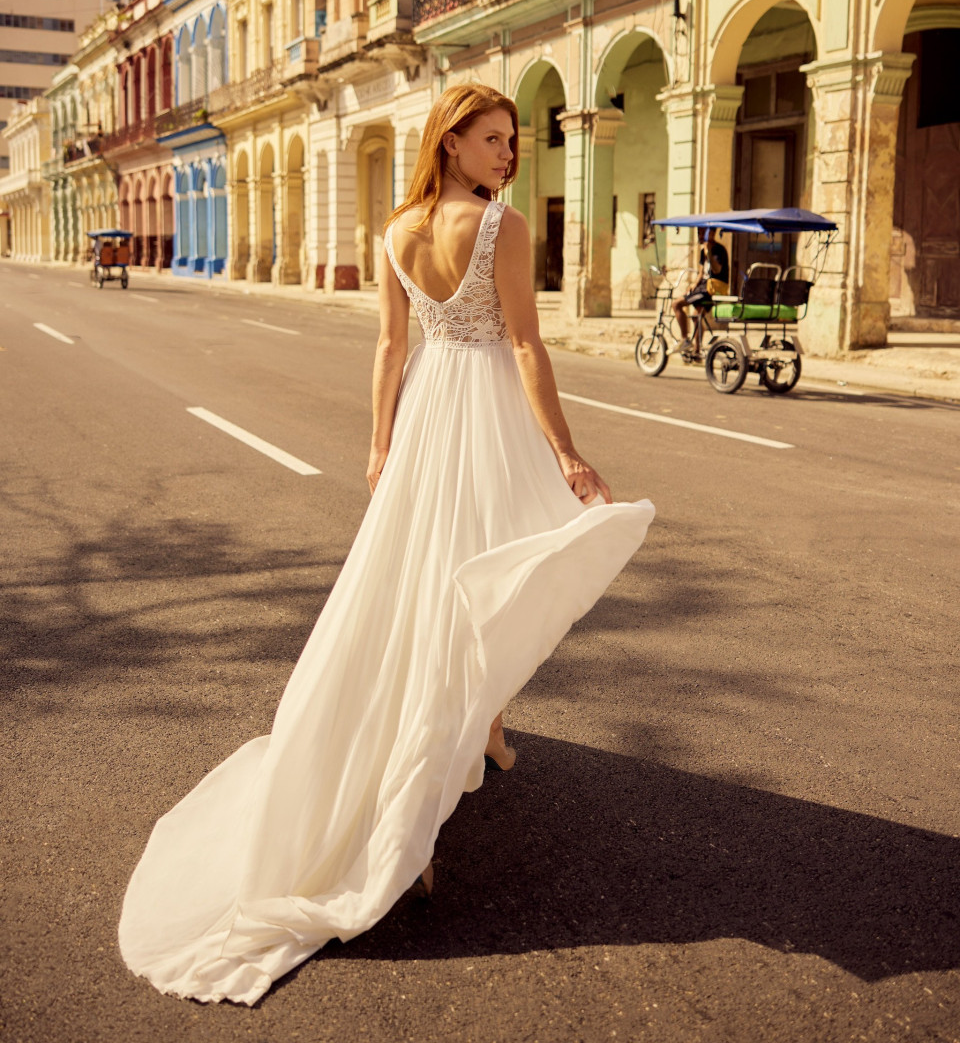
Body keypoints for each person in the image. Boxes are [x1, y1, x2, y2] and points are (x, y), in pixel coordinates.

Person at [118, 84, 655, 1006]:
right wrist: (566, 452)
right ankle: (422, 798)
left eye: (513, 142)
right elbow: (525, 344)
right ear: (449, 144)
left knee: (433, 577)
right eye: (492, 140)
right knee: (498, 559)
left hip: (429, 415)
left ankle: (481, 723)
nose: (507, 155)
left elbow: (389, 348)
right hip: (484, 411)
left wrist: (379, 443)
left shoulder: (395, 231)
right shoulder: (504, 227)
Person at [671, 227, 729, 355]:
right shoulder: (703, 250)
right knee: (696, 317)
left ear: (712, 233)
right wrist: (693, 285)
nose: (701, 235)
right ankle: (696, 350)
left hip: (711, 289)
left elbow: (717, 270)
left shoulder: (719, 250)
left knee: (676, 304)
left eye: (704, 232)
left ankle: (685, 339)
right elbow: (701, 273)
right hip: (702, 287)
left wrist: (709, 252)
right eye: (700, 232)